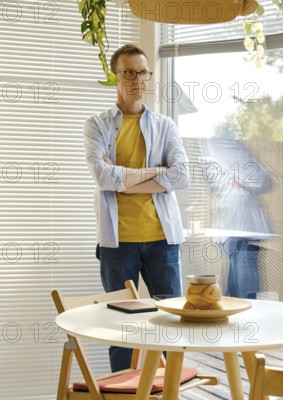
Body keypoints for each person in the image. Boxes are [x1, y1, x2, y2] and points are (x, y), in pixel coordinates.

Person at [83, 44, 189, 372]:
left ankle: (175, 391)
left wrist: (123, 177)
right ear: (114, 76)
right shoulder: (97, 125)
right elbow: (103, 176)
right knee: (121, 329)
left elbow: (182, 174)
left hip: (162, 240)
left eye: (142, 72)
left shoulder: (165, 125)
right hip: (118, 244)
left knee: (172, 323)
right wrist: (156, 172)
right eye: (128, 72)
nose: (136, 79)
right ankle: (123, 393)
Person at [202, 138, 274, 299]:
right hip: (241, 228)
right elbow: (261, 180)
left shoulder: (211, 142)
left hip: (233, 227)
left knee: (235, 297)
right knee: (246, 300)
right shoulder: (223, 141)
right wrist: (263, 177)